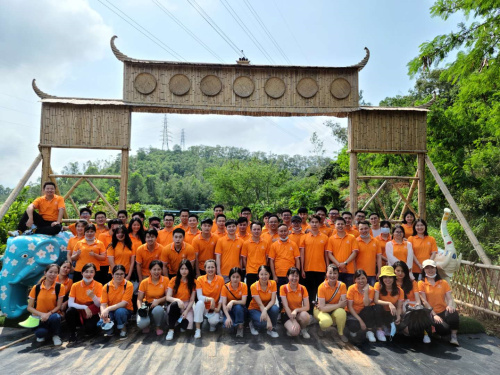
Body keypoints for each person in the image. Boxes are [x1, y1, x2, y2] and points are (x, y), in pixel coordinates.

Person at [418, 259, 460, 346]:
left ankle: (454, 337)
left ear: (436, 269)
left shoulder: (443, 282)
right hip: (430, 313)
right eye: (427, 268)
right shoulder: (421, 283)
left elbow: (449, 299)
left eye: (432, 267)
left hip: (443, 310)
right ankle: (436, 331)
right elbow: (424, 301)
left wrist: (450, 305)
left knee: (453, 313)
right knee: (444, 330)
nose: (430, 270)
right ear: (423, 270)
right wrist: (434, 315)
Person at [27, 264, 65, 345]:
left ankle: (55, 335)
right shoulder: (36, 288)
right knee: (40, 334)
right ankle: (46, 332)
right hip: (38, 317)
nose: (53, 274)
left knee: (56, 317)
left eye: (55, 272)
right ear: (45, 273)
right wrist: (42, 315)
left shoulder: (60, 287)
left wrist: (48, 314)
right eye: (50, 272)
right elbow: (29, 307)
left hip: (52, 315)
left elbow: (58, 306)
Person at [66, 263, 103, 342]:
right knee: (70, 311)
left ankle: (88, 327)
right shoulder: (75, 285)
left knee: (90, 330)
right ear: (82, 273)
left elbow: (99, 304)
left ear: (94, 273)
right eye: (86, 271)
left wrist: (93, 296)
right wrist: (84, 307)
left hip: (91, 311)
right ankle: (72, 333)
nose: (89, 274)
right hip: (79, 310)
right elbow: (70, 303)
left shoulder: (99, 285)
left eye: (91, 272)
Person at [299, 216, 329, 309]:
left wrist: (327, 269)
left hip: (321, 269)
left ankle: (320, 309)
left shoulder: (325, 237)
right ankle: (309, 311)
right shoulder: (304, 237)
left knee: (320, 291)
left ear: (320, 224)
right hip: (308, 269)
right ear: (309, 223)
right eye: (312, 222)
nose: (314, 224)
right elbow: (302, 255)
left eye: (316, 222)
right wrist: (302, 269)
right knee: (309, 292)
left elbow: (326, 254)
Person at [314, 264, 348, 342]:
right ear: (326, 274)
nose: (332, 275)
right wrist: (338, 305)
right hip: (319, 310)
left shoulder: (342, 285)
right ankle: (322, 329)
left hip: (333, 310)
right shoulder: (321, 287)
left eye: (335, 273)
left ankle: (341, 333)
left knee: (341, 312)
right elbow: (322, 308)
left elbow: (343, 304)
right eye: (330, 273)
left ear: (338, 274)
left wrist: (327, 306)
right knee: (326, 322)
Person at [165, 259, 198, 341]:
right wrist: (177, 300)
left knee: (187, 326)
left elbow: (192, 300)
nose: (184, 271)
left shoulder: (193, 282)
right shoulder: (173, 280)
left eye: (186, 269)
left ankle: (178, 323)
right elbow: (168, 297)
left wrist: (186, 311)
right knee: (174, 305)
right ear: (179, 270)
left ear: (189, 270)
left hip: (187, 305)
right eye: (182, 269)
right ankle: (171, 330)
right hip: (175, 304)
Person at [100, 265, 134, 339]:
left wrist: (108, 309)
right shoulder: (106, 286)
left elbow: (124, 303)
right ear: (112, 275)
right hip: (111, 310)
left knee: (120, 311)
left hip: (125, 309)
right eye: (117, 274)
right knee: (104, 324)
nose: (119, 276)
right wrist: (103, 313)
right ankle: (110, 328)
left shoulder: (128, 285)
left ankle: (123, 329)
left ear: (124, 275)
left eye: (121, 274)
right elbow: (103, 304)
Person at [345, 269, 379, 343]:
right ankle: (354, 330)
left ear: (366, 279)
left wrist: (366, 292)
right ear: (355, 280)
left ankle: (369, 332)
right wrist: (360, 321)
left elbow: (366, 304)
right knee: (353, 327)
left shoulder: (371, 289)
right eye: (358, 278)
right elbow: (350, 307)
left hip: (364, 312)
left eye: (363, 278)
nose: (361, 281)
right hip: (353, 313)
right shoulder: (351, 288)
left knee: (369, 309)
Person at [193, 259, 225, 338]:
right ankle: (198, 329)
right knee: (199, 303)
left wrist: (218, 308)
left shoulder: (220, 279)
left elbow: (222, 296)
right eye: (208, 267)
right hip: (204, 306)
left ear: (216, 268)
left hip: (214, 307)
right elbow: (199, 296)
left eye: (212, 267)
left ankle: (212, 323)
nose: (210, 269)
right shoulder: (200, 279)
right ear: (205, 269)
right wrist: (211, 299)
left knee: (214, 322)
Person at [136, 260, 169, 335]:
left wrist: (158, 301)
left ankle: (158, 327)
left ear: (161, 270)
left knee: (158, 310)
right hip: (147, 306)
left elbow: (168, 296)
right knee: (141, 324)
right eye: (154, 269)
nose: (156, 272)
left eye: (159, 269)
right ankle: (146, 324)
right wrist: (140, 309)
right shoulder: (144, 282)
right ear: (150, 270)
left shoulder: (166, 280)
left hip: (159, 306)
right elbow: (139, 299)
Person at [269, 223, 301, 298]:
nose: (283, 233)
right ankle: (282, 309)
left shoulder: (293, 244)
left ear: (288, 231)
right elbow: (271, 261)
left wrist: (297, 274)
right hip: (279, 274)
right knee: (280, 296)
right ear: (278, 232)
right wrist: (274, 275)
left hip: (291, 275)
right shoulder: (274, 245)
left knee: (291, 295)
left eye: (285, 231)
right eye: (281, 231)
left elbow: (297, 259)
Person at [241, 221, 269, 304]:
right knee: (250, 292)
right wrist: (247, 269)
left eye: (258, 229)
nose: (256, 231)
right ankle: (249, 310)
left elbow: (267, 257)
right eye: (254, 229)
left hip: (262, 272)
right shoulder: (246, 243)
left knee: (263, 291)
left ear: (261, 230)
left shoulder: (265, 242)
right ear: (251, 230)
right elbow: (244, 258)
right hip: (251, 271)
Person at [248, 265, 280, 338]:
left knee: (275, 309)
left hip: (267, 308)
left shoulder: (273, 283)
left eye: (266, 274)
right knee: (262, 324)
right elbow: (259, 304)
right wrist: (268, 320)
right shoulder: (253, 286)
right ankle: (253, 324)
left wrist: (265, 310)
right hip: (255, 308)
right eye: (261, 274)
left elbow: (273, 300)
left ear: (269, 274)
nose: (264, 276)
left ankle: (272, 329)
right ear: (258, 275)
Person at [374, 266, 403, 342]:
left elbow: (399, 307)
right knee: (377, 307)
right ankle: (379, 330)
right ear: (382, 279)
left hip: (391, 313)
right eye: (385, 277)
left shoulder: (399, 290)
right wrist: (389, 303)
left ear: (394, 278)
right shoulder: (378, 285)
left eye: (390, 277)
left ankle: (388, 326)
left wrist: (398, 316)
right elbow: (376, 300)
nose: (387, 280)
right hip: (380, 312)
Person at [327, 217, 359, 287]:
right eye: (338, 224)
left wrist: (345, 263)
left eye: (342, 224)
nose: (340, 226)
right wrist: (339, 265)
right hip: (335, 271)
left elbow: (354, 252)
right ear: (335, 225)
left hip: (349, 270)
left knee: (348, 291)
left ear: (345, 225)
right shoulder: (331, 239)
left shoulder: (352, 237)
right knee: (337, 291)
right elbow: (329, 254)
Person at [280, 267, 310, 338]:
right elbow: (285, 306)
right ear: (288, 277)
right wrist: (293, 321)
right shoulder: (283, 288)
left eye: (296, 276)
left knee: (305, 316)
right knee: (294, 332)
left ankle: (303, 329)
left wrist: (296, 310)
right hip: (286, 314)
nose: (294, 278)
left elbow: (307, 307)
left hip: (297, 313)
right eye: (292, 275)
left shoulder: (303, 288)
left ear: (299, 277)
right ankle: (293, 327)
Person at [221, 267, 248, 338]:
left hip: (240, 309)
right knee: (228, 326)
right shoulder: (225, 287)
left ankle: (240, 327)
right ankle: (233, 321)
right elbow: (223, 304)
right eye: (233, 277)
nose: (235, 279)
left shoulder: (244, 286)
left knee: (238, 307)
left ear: (240, 277)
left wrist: (233, 301)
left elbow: (243, 302)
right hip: (229, 310)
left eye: (237, 277)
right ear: (230, 277)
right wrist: (228, 317)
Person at [356, 221, 382, 286]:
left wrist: (379, 272)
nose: (364, 230)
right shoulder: (355, 241)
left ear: (369, 228)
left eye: (366, 228)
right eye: (361, 229)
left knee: (371, 294)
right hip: (359, 274)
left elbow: (379, 257)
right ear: (358, 229)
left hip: (372, 273)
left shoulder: (376, 241)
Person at [98, 219, 121, 283]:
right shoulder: (102, 235)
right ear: (112, 226)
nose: (120, 227)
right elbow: (100, 250)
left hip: (115, 264)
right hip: (103, 265)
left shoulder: (119, 237)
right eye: (118, 225)